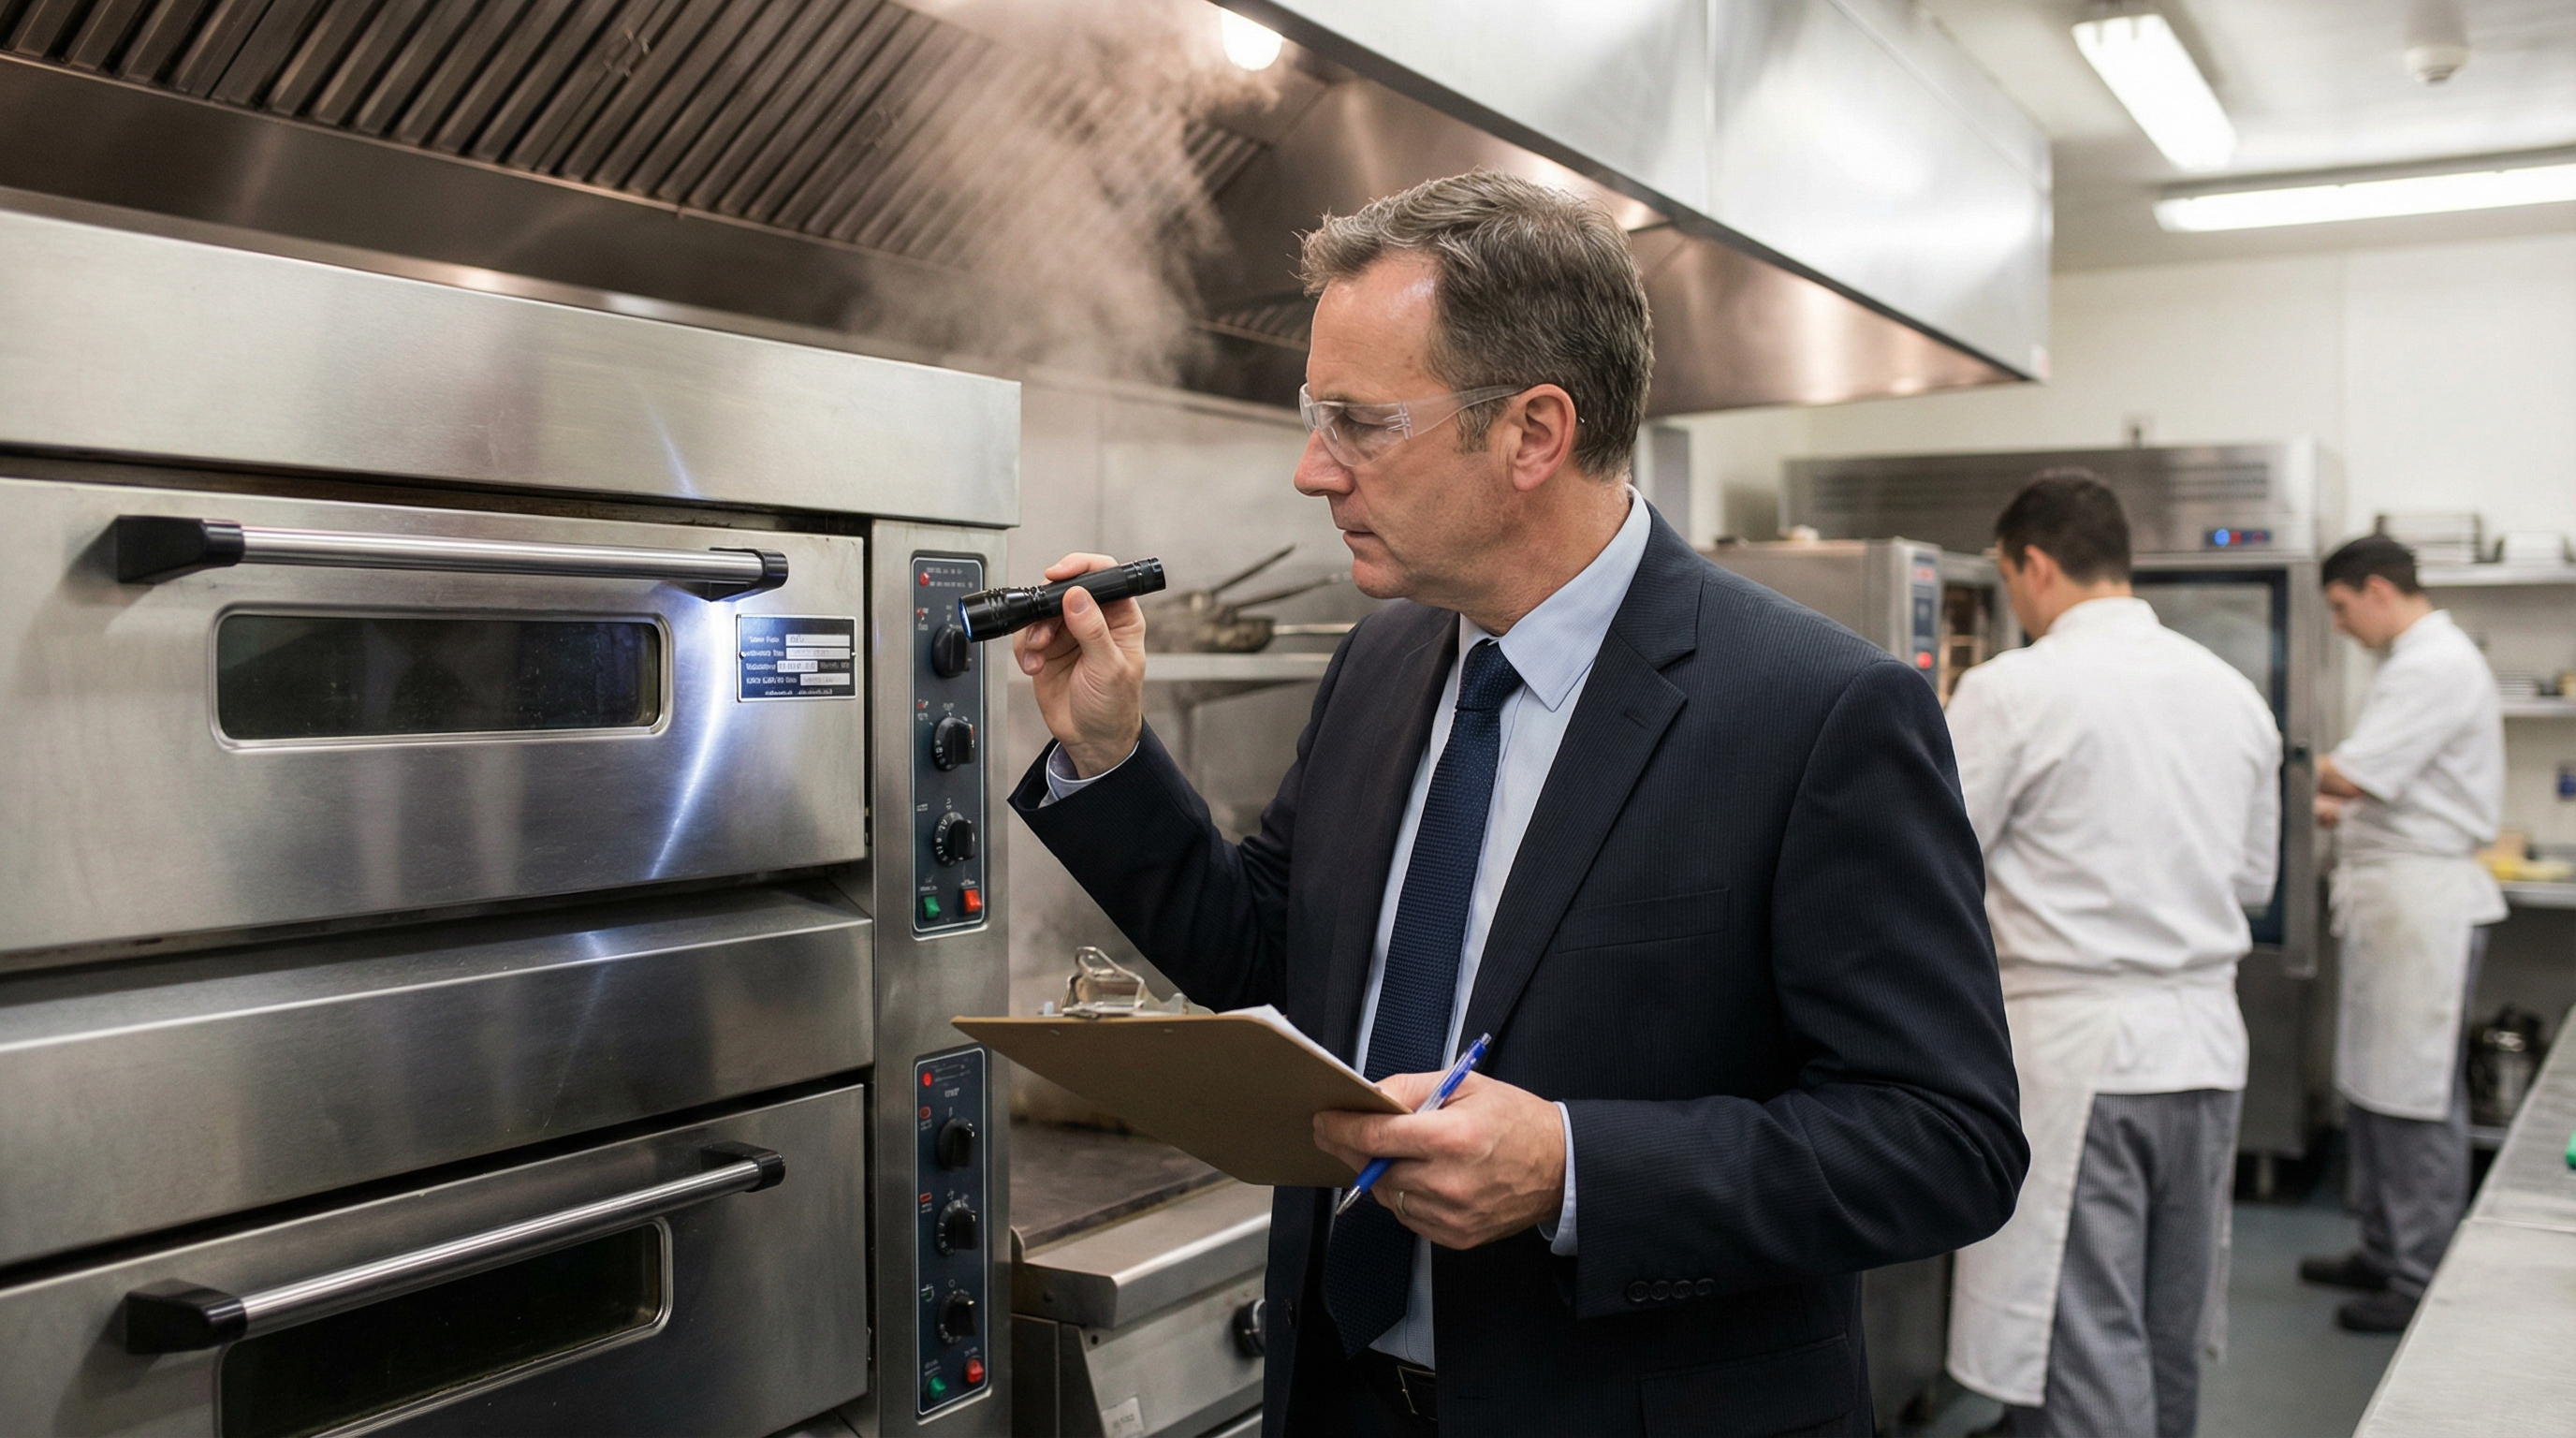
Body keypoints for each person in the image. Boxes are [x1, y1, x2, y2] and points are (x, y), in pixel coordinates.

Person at [1006, 170, 2027, 1437]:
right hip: (1347, 1398)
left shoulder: (1816, 712)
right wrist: (1109, 756)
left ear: (1533, 434)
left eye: (1358, 422)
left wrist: (1574, 1169)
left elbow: (1947, 1140)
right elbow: (1270, 952)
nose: (1309, 472)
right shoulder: (1385, 659)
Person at [1941, 473, 2282, 1438]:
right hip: (2207, 1050)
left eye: (2009, 581)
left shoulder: (2013, 689)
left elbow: (1934, 861)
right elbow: (2253, 881)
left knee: (2082, 1333)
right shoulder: (2232, 694)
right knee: (2164, 1327)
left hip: (2080, 1052)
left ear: (2033, 565)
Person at [2298, 534, 2505, 1333]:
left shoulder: (2434, 664)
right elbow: (2382, 787)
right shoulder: (2413, 662)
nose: (2342, 627)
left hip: (2422, 903)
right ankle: (2383, 1249)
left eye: (2343, 609)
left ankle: (2419, 1276)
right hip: (2393, 897)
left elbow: (2352, 772)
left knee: (2414, 1091)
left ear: (2377, 589)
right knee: (2377, 1086)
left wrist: (2258, 744)